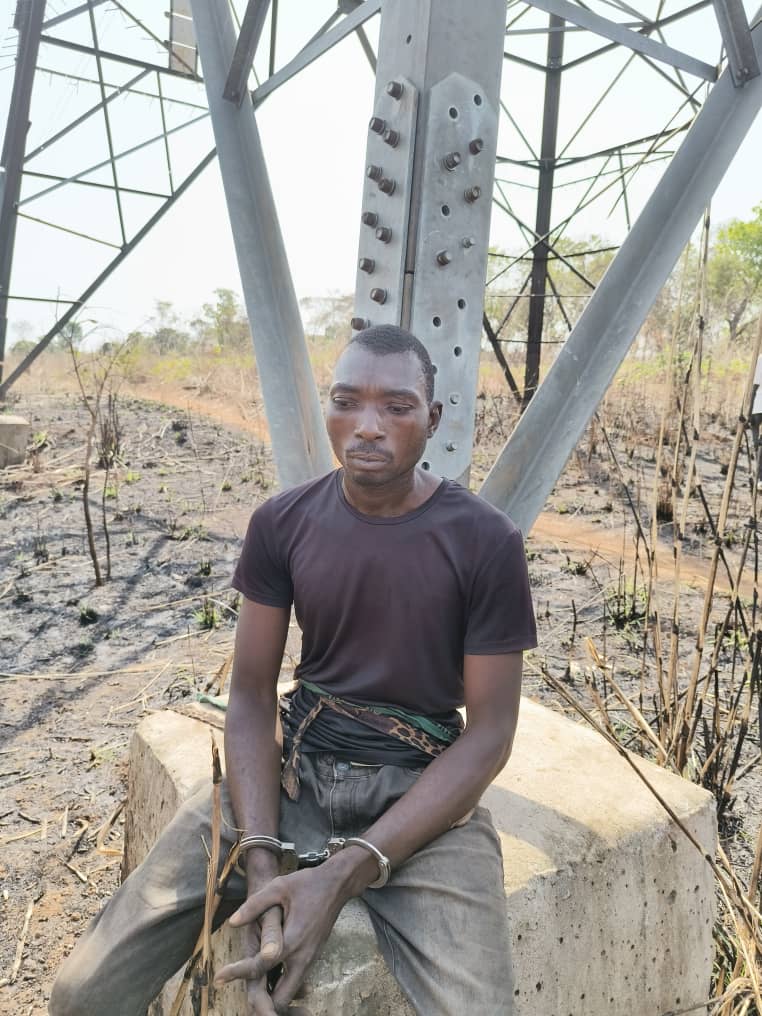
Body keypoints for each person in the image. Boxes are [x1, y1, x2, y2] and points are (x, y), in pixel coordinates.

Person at [49, 325, 537, 1016]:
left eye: (397, 407)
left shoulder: (485, 542)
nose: (368, 426)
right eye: (347, 401)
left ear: (433, 418)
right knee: (82, 993)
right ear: (327, 407)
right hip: (293, 779)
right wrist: (259, 856)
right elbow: (249, 694)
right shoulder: (283, 522)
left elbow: (489, 736)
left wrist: (343, 872)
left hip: (423, 805)